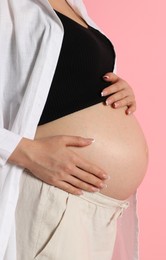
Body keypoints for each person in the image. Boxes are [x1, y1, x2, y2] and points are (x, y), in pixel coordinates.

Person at [0, 0, 149, 259]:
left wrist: (119, 91)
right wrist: (24, 151)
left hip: (94, 211)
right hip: (52, 197)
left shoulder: (71, 2)